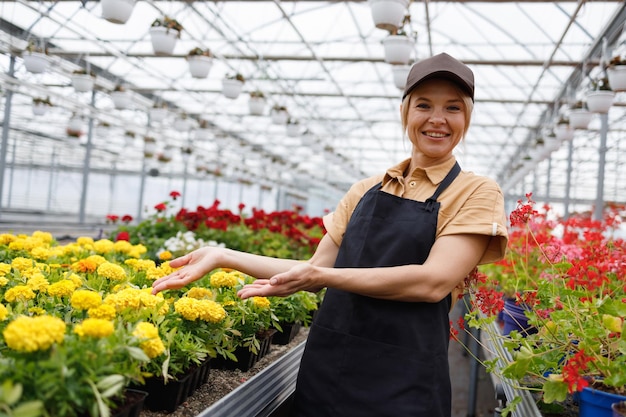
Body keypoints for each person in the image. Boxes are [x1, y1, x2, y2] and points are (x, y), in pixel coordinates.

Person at [152, 52, 509, 417]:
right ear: (405, 112)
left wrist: (323, 277)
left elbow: (433, 282)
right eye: (424, 105)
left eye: (453, 108)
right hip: (327, 370)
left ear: (466, 118)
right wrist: (223, 255)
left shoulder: (476, 192)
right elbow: (312, 268)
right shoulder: (366, 189)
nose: (437, 119)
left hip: (406, 379)